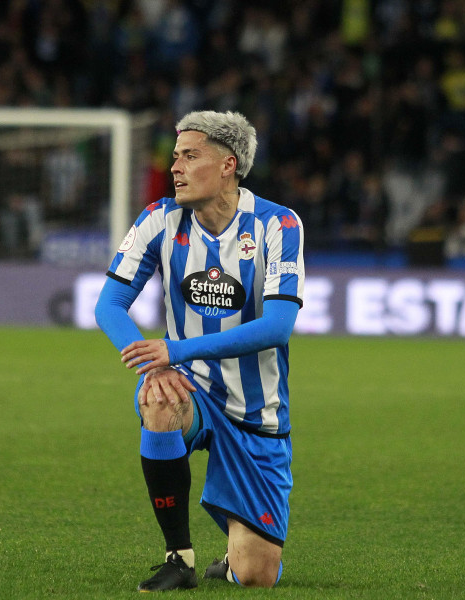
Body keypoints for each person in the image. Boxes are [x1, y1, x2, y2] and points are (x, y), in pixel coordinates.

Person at [94, 110, 304, 590]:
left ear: (228, 164)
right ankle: (179, 557)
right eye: (175, 157)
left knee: (257, 577)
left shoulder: (278, 224)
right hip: (192, 389)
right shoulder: (160, 219)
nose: (175, 167)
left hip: (258, 412)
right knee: (159, 397)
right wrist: (153, 363)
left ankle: (233, 560)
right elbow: (109, 304)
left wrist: (176, 349)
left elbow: (277, 327)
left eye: (190, 156)